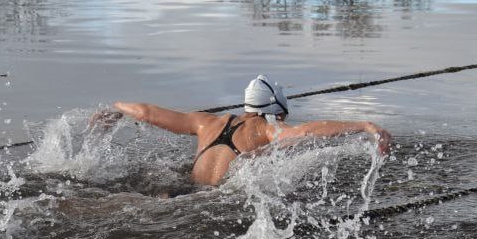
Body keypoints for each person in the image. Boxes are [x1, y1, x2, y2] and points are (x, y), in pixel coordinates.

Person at [94, 75, 392, 186]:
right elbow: (307, 131)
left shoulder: (205, 122)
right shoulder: (267, 130)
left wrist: (115, 108)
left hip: (179, 192)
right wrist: (365, 125)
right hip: (213, 202)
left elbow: (146, 113)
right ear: (277, 110)